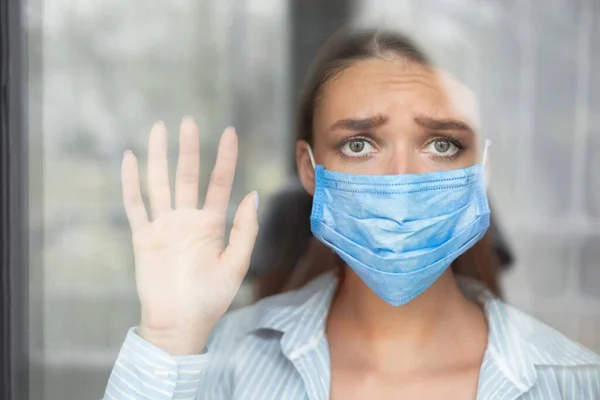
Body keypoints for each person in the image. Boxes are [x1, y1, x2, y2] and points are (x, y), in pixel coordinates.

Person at [104, 29, 600, 399]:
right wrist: (168, 340)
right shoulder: (226, 361)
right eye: (360, 143)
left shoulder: (574, 382)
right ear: (310, 170)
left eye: (442, 144)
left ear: (481, 170)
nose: (401, 176)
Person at [249, 179, 513, 301]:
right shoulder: (293, 205)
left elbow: (493, 305)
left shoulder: (459, 191)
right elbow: (264, 325)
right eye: (358, 144)